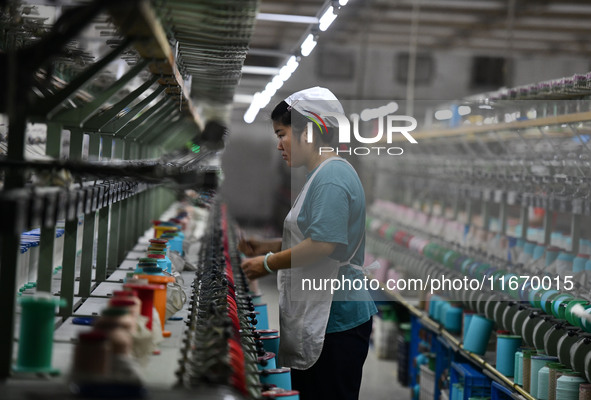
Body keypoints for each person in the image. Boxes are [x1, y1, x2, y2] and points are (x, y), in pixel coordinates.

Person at [240, 87, 377, 400]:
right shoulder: (322, 174)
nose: (279, 145)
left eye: (282, 133)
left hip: (337, 317)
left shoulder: (331, 177)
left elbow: (323, 246)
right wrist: (265, 246)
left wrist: (266, 264)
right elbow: (311, 235)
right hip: (327, 310)